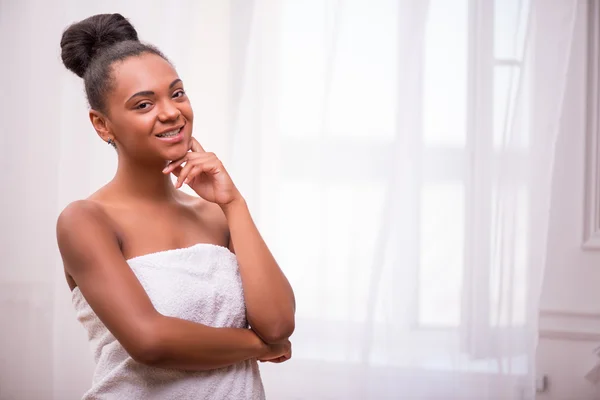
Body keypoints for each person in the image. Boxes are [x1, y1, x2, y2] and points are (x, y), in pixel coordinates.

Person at [56, 13, 295, 400]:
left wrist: (233, 203)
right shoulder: (85, 221)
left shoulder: (215, 214)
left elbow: (279, 322)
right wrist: (260, 347)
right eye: (143, 104)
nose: (171, 112)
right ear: (103, 125)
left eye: (177, 93)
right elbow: (151, 341)